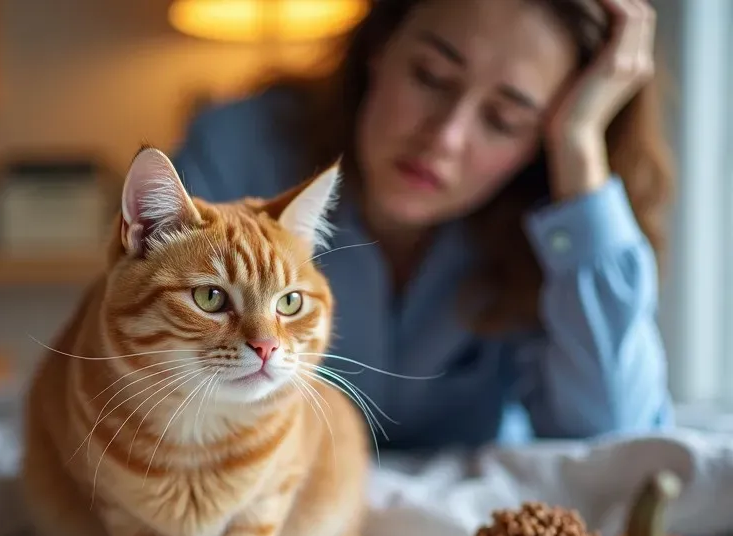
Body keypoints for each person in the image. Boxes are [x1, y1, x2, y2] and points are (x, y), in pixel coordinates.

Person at [170, 0, 674, 451]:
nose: (446, 137)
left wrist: (579, 143)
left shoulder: (538, 220)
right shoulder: (239, 146)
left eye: (503, 119)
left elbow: (616, 440)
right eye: (430, 76)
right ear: (380, 47)